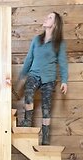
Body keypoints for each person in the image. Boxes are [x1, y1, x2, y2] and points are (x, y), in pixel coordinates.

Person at [18, 12, 68, 145]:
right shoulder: (36, 40)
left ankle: (45, 138)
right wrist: (22, 75)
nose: (46, 18)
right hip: (33, 75)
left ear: (55, 23)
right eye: (46, 16)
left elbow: (63, 63)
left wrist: (64, 81)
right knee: (28, 95)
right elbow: (29, 59)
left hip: (49, 79)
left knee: (46, 109)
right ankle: (27, 122)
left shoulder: (59, 43)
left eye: (50, 17)